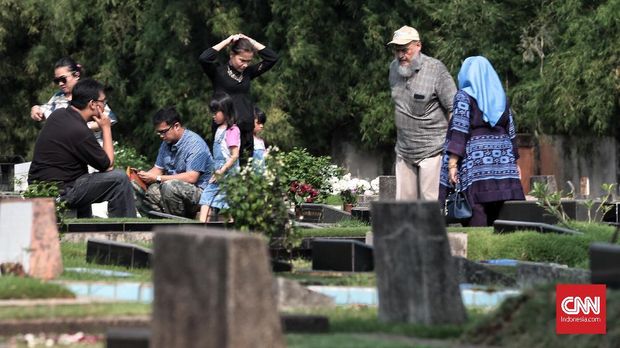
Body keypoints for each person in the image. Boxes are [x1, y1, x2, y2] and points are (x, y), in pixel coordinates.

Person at [28, 78, 136, 218]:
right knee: (119, 179)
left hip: (41, 189)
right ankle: (126, 229)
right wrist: (106, 128)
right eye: (103, 102)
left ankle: (85, 226)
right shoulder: (79, 130)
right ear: (92, 104)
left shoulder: (58, 115)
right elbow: (108, 165)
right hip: (57, 193)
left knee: (82, 178)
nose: (104, 106)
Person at [438, 56, 525, 226]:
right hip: (504, 162)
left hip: (478, 162)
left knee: (476, 209)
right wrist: (514, 162)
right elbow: (511, 130)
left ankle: (478, 250)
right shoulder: (501, 98)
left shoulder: (463, 96)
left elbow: (459, 129)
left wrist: (452, 164)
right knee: (502, 212)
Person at [387, 26, 457, 200]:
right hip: (404, 150)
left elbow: (454, 108)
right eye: (397, 50)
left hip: (432, 150)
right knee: (404, 208)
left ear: (418, 46)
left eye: (405, 50)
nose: (401, 55)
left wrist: (453, 148)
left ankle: (431, 229)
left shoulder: (436, 69)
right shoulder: (393, 69)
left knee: (429, 204)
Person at [199, 33, 278, 166]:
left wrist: (251, 41)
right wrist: (227, 41)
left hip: (247, 128)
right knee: (226, 171)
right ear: (231, 55)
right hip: (226, 130)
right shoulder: (218, 72)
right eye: (242, 60)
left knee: (246, 172)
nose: (245, 65)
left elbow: (272, 58)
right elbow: (204, 58)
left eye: (249, 61)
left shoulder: (248, 73)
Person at [134, 107, 214, 218]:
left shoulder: (195, 144)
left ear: (176, 126)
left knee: (169, 186)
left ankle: (177, 224)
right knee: (149, 190)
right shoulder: (166, 143)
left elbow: (192, 177)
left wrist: (158, 178)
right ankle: (160, 222)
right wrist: (141, 176)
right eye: (159, 133)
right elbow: (157, 170)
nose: (161, 136)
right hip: (173, 193)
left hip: (201, 194)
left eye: (164, 132)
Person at [30, 57, 118, 143]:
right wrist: (36, 109)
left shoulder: (90, 93)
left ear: (76, 75)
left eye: (63, 79)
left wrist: (81, 127)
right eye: (57, 81)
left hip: (91, 149)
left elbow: (109, 120)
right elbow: (44, 110)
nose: (60, 84)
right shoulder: (58, 97)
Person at [199, 93, 240, 222]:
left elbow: (234, 155)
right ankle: (201, 225)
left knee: (225, 201)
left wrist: (222, 171)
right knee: (207, 194)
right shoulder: (218, 129)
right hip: (217, 169)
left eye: (216, 112)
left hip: (228, 171)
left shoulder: (232, 130)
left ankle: (231, 226)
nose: (213, 115)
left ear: (226, 111)